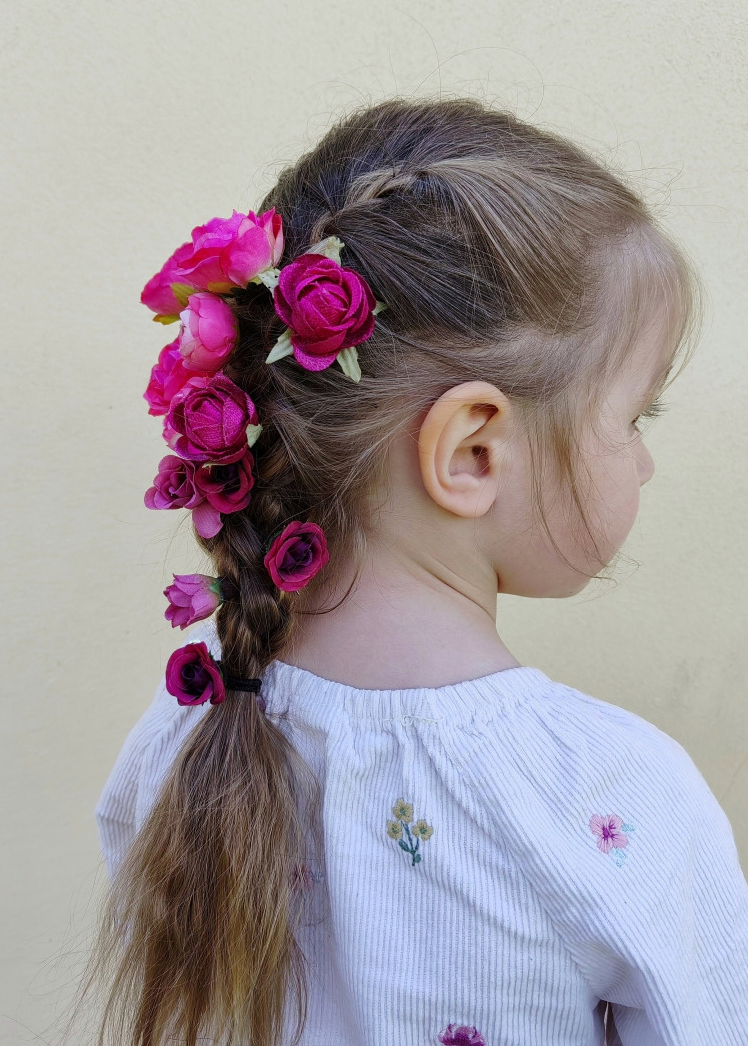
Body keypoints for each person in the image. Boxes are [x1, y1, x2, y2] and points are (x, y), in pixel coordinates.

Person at [82, 97, 748, 1046]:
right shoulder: (608, 790)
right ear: (473, 451)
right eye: (635, 418)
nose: (642, 463)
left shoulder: (190, 727)